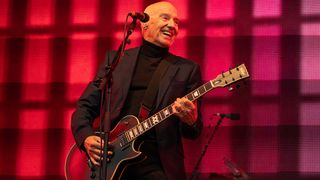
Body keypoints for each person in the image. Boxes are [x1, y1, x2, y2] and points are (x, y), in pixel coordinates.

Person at [71, 1, 203, 180]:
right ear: (144, 23)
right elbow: (86, 105)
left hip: (158, 163)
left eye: (177, 21)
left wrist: (191, 120)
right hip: (110, 160)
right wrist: (86, 137)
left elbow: (193, 132)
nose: (173, 25)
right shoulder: (117, 60)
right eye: (166, 18)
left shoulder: (187, 69)